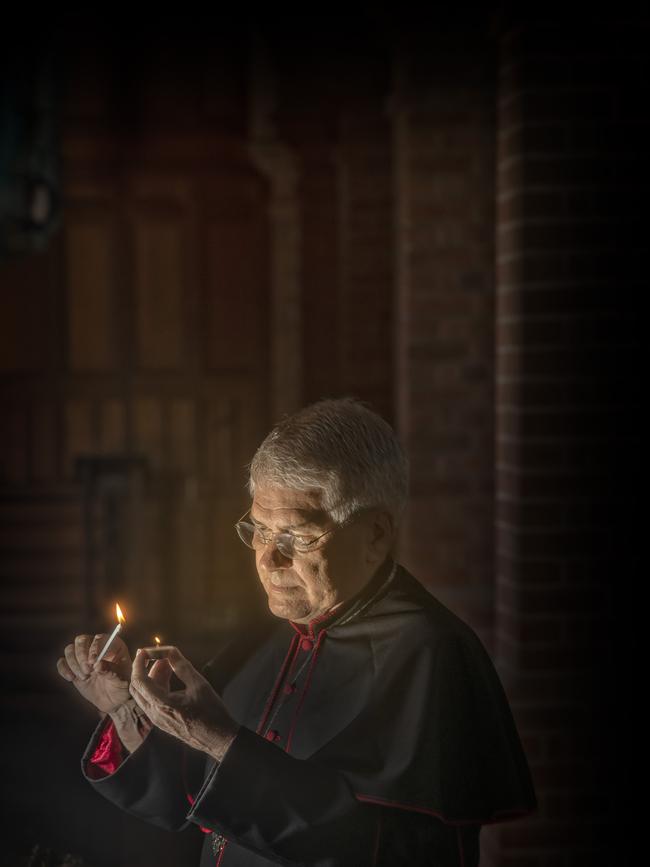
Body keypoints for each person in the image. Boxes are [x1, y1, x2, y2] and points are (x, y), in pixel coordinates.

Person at [57, 397, 537, 866]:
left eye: (298, 536)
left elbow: (389, 850)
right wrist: (126, 711)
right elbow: (186, 797)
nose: (268, 559)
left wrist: (223, 740)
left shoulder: (434, 653)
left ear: (375, 534)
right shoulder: (267, 633)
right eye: (259, 530)